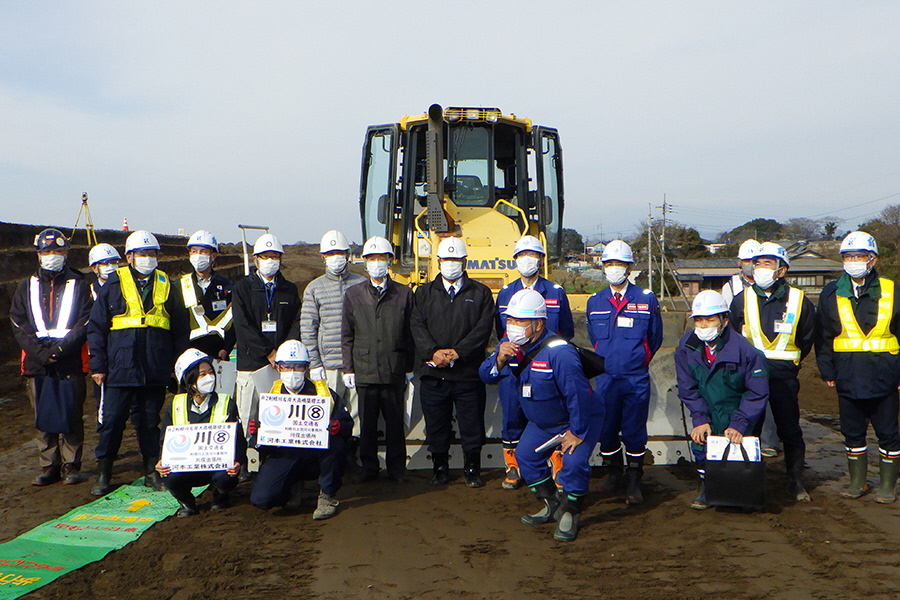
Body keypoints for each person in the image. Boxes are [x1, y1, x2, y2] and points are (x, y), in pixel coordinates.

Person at [480, 289, 598, 541]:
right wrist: (499, 359)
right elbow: (485, 376)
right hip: (543, 421)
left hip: (575, 418)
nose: (513, 326)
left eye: (520, 321)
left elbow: (578, 395)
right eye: (510, 320)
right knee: (525, 457)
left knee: (574, 464)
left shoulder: (559, 352)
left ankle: (570, 511)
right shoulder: (509, 347)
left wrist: (577, 432)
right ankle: (551, 503)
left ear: (538, 324)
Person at [87, 230, 189, 496]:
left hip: (154, 368)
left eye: (152, 254)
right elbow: (97, 328)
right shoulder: (113, 283)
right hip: (119, 368)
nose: (148, 258)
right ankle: (104, 473)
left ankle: (151, 471)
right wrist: (97, 365)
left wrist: (177, 367)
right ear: (130, 257)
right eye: (142, 254)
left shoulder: (168, 284)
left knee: (148, 423)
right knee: (112, 422)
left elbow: (179, 330)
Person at [816, 231, 900, 504]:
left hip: (885, 375)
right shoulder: (831, 292)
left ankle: (887, 486)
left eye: (859, 256)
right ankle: (857, 482)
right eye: (848, 257)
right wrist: (827, 370)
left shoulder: (893, 290)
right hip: (847, 374)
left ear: (872, 260)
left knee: (888, 432)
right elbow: (824, 335)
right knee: (852, 431)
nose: (853, 261)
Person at [728, 242, 815, 502]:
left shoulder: (799, 300)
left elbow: (807, 338)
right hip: (750, 380)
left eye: (767, 263)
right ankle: (749, 482)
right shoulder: (741, 299)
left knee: (789, 430)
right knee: (748, 429)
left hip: (783, 378)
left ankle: (796, 482)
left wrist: (791, 366)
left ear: (781, 270)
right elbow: (732, 335)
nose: (760, 268)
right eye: (757, 263)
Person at [10, 228, 93, 486]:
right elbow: (18, 323)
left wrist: (59, 351)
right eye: (46, 251)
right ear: (38, 254)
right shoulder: (26, 286)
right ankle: (49, 466)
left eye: (57, 251)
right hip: (37, 362)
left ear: (66, 253)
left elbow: (85, 321)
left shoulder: (80, 284)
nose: (52, 256)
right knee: (42, 416)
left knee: (71, 413)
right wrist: (41, 353)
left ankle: (72, 465)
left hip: (69, 359)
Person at [411, 237, 495, 487]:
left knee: (472, 424)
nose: (451, 264)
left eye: (456, 259)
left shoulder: (480, 293)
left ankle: (472, 469)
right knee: (436, 425)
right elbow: (417, 325)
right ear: (438, 262)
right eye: (446, 260)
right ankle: (440, 468)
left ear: (465, 261)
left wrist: (459, 352)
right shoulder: (424, 293)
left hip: (468, 373)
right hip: (434, 374)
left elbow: (483, 329)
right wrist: (433, 352)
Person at [674, 290, 768, 510]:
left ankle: (740, 493)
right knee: (701, 448)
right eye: (699, 320)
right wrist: (699, 418)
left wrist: (739, 423)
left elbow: (757, 392)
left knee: (737, 454)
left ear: (724, 320)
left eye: (710, 319)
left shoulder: (746, 351)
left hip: (737, 410)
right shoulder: (687, 346)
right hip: (706, 409)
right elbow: (687, 386)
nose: (704, 325)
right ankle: (709, 490)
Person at [494, 235, 574, 489]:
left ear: (540, 258)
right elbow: (501, 331)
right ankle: (513, 465)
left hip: (547, 368)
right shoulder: (506, 293)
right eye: (522, 255)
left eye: (533, 254)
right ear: (515, 259)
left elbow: (566, 330)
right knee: (512, 415)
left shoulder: (555, 292)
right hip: (514, 366)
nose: (527, 259)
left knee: (553, 416)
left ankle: (557, 465)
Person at [586, 239, 663, 505]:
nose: (614, 268)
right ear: (603, 267)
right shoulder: (594, 301)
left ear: (629, 267)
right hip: (606, 379)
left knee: (634, 431)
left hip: (635, 379)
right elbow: (594, 338)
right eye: (609, 264)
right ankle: (613, 473)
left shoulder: (645, 298)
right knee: (606, 429)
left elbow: (655, 338)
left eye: (619, 264)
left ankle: (634, 479)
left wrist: (637, 361)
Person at [249, 340, 352, 519]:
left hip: (316, 455)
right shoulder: (270, 398)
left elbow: (347, 426)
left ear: (307, 368)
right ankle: (292, 486)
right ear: (278, 368)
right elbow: (260, 446)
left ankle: (327, 496)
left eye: (298, 367)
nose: (292, 372)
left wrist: (339, 426)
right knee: (262, 499)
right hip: (285, 454)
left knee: (337, 445)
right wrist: (256, 432)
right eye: (287, 367)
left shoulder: (324, 394)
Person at [341, 236, 414, 483]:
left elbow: (410, 333)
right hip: (365, 370)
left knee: (395, 424)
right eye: (371, 259)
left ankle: (397, 469)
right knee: (368, 425)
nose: (377, 263)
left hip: (394, 368)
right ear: (365, 263)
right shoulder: (353, 294)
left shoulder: (404, 294)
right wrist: (348, 369)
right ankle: (369, 467)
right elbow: (347, 334)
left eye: (381, 258)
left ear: (390, 261)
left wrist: (409, 367)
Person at [232, 233, 301, 479]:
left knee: (278, 414)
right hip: (252, 365)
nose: (270, 261)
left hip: (281, 366)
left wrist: (283, 352)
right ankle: (244, 462)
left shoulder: (289, 289)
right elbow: (243, 326)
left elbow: (296, 322)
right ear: (256, 259)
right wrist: (267, 352)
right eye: (265, 257)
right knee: (247, 415)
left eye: (274, 257)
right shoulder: (242, 288)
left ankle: (275, 459)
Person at [300, 230, 366, 464]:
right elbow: (308, 328)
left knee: (358, 414)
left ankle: (354, 456)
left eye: (340, 252)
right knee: (330, 415)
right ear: (322, 257)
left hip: (357, 363)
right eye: (331, 253)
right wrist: (314, 363)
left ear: (348, 255)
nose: (336, 257)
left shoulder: (362, 283)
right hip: (328, 365)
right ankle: (330, 460)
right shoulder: (314, 288)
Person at [156, 349, 245, 517]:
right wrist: (162, 460)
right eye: (202, 374)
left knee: (227, 477)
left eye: (211, 372)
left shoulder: (226, 403)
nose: (209, 377)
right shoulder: (175, 405)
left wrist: (238, 461)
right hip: (186, 467)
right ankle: (186, 502)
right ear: (190, 381)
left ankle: (221, 496)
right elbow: (165, 440)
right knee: (169, 476)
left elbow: (239, 440)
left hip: (216, 467)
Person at [722, 239, 779, 457]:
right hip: (742, 351)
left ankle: (768, 441)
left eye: (753, 261)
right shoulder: (731, 287)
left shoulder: (777, 289)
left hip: (771, 355)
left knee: (768, 400)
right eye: (746, 260)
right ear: (739, 263)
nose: (750, 265)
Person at [176, 230, 235, 360]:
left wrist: (226, 348)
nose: (198, 255)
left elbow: (234, 322)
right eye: (194, 251)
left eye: (203, 251)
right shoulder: (179, 286)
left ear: (213, 255)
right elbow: (177, 324)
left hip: (219, 356)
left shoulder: (227, 286)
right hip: (189, 355)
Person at [721, 239, 760, 307]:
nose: (751, 264)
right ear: (739, 262)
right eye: (747, 261)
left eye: (755, 261)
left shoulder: (769, 284)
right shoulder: (730, 287)